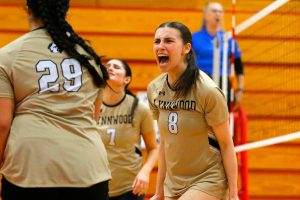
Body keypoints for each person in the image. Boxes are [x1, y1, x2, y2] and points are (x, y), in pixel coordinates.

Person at [0, 0, 111, 199]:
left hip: (29, 168)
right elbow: (94, 118)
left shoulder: (7, 55)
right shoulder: (88, 56)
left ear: (27, 8)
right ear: (66, 10)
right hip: (88, 167)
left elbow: (2, 123)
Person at [147, 21, 239, 200]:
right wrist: (159, 191)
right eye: (157, 41)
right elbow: (165, 143)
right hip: (173, 183)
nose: (160, 46)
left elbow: (227, 144)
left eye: (168, 41)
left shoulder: (207, 90)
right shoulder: (154, 89)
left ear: (186, 48)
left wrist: (234, 194)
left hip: (209, 179)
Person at [99, 59, 158, 200]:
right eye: (108, 66)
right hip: (97, 186)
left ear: (127, 79)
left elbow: (153, 149)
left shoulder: (139, 109)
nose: (110, 68)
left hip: (129, 188)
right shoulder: (92, 106)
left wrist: (145, 172)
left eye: (116, 67)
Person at [192, 2, 244, 108]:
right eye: (214, 11)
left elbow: (239, 66)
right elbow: (185, 65)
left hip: (223, 84)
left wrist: (241, 89)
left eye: (220, 11)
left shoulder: (228, 39)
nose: (218, 14)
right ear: (205, 15)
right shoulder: (194, 38)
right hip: (201, 82)